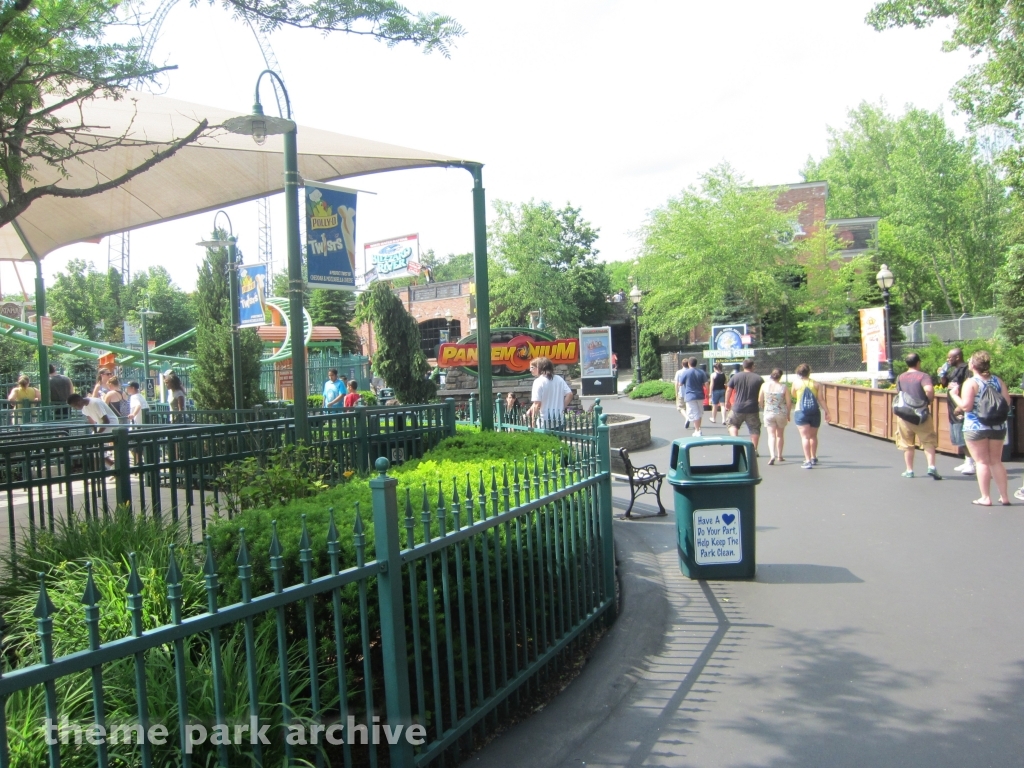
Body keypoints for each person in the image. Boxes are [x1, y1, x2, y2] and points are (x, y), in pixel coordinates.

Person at [949, 350, 1011, 506]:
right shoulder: (998, 381)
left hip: (976, 426)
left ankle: (986, 497)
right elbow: (1007, 402)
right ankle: (1004, 496)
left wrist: (954, 394)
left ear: (973, 365)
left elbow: (966, 406)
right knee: (996, 461)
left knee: (982, 462)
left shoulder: (971, 383)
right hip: (997, 425)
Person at [894, 353, 942, 480]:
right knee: (928, 440)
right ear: (918, 363)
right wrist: (929, 400)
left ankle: (909, 470)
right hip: (921, 414)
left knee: (906, 443)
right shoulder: (923, 376)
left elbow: (899, 393)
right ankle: (931, 467)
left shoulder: (900, 377)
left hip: (904, 415)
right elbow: (929, 390)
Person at [939, 348, 974, 475]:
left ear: (958, 357)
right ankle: (967, 460)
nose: (948, 360)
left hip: (960, 407)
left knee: (963, 435)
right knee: (957, 435)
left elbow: (968, 387)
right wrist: (942, 374)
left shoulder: (966, 370)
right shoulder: (953, 370)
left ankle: (971, 463)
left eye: (950, 358)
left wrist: (961, 405)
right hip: (952, 406)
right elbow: (944, 384)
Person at [791, 363, 830, 469]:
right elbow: (820, 399)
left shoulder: (796, 383)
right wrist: (827, 411)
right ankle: (813, 457)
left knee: (805, 437)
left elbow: (793, 395)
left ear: (798, 372)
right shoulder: (817, 384)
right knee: (813, 436)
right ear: (809, 372)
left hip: (801, 411)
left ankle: (807, 460)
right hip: (814, 411)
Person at [726, 358, 763, 451]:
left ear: (743, 366)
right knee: (754, 428)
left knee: (732, 423)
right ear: (752, 366)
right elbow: (762, 393)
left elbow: (729, 389)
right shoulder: (758, 378)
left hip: (737, 407)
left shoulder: (736, 376)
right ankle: (754, 450)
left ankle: (736, 443)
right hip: (752, 408)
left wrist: (727, 402)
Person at [527, 356, 573, 429]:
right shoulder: (559, 379)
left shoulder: (538, 382)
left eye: (532, 367)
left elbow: (537, 404)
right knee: (558, 440)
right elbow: (570, 394)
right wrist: (561, 407)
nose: (530, 370)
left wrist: (532, 422)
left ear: (539, 368)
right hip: (559, 420)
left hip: (544, 422)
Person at [759, 368, 789, 465]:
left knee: (771, 435)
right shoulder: (783, 387)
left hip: (768, 412)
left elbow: (760, 400)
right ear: (780, 377)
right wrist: (788, 413)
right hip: (781, 412)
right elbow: (788, 402)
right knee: (780, 435)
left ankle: (772, 455)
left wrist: (764, 407)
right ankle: (779, 455)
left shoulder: (764, 385)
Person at [676, 357, 708, 437]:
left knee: (694, 413)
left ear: (689, 364)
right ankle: (698, 429)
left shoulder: (686, 373)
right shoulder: (701, 372)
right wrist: (707, 393)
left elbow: (680, 383)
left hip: (690, 396)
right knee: (699, 412)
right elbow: (706, 383)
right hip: (700, 395)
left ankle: (697, 430)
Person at [675, 358, 691, 428]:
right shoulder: (691, 371)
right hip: (690, 392)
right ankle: (687, 419)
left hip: (681, 392)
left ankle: (687, 417)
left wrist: (676, 392)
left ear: (682, 364)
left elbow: (676, 383)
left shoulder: (679, 372)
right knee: (688, 407)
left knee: (680, 407)